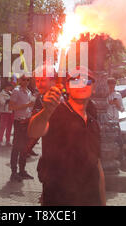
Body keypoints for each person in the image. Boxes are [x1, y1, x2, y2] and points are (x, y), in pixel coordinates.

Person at [28, 67, 106, 206]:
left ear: (93, 88)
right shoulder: (56, 112)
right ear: (68, 88)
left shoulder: (94, 124)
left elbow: (97, 165)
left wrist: (103, 202)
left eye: (86, 81)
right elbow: (34, 131)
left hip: (90, 199)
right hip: (59, 199)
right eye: (75, 81)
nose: (81, 84)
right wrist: (46, 112)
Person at [9, 74, 35, 182]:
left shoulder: (29, 92)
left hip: (27, 122)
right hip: (19, 121)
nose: (26, 82)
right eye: (24, 79)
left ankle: (22, 170)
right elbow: (11, 107)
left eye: (28, 80)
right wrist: (26, 105)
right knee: (16, 147)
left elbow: (30, 107)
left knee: (25, 148)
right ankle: (14, 172)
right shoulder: (16, 91)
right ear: (20, 80)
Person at [0, 81, 14, 147]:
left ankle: (8, 140)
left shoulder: (11, 93)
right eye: (10, 86)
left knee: (9, 127)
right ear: (6, 86)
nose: (11, 87)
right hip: (4, 112)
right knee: (3, 127)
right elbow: (2, 103)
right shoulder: (1, 94)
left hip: (11, 112)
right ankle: (0, 140)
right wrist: (10, 100)